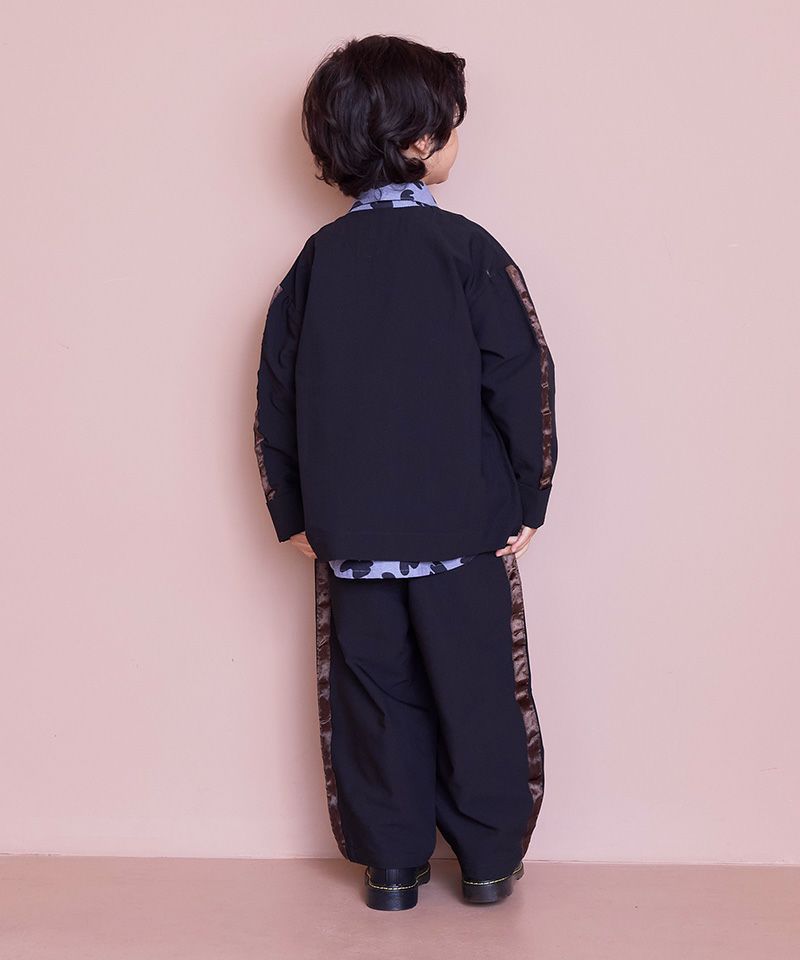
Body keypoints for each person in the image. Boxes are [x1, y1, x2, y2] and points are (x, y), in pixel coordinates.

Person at [253, 34, 558, 910]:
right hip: (464, 527)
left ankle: (391, 867)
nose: (457, 141)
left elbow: (275, 393)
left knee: (373, 697)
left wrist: (292, 508)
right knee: (478, 691)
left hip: (351, 533)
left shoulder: (315, 263)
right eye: (452, 127)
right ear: (420, 142)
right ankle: (489, 863)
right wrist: (530, 492)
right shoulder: (467, 251)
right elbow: (522, 374)